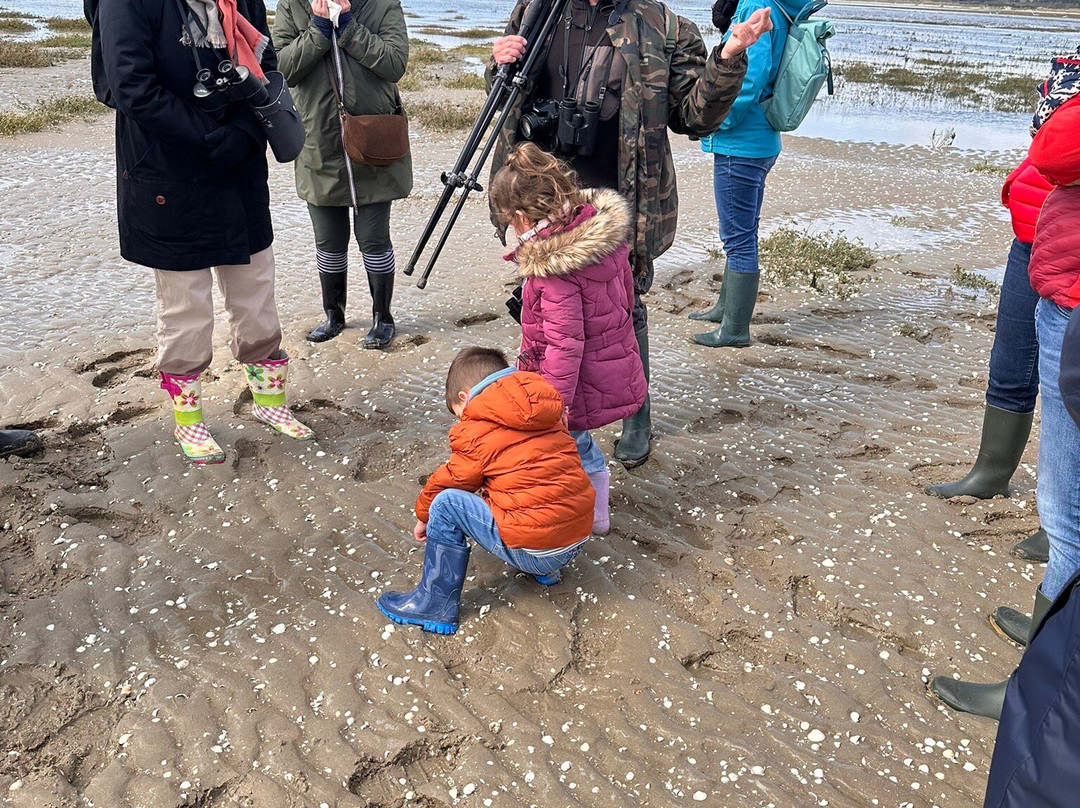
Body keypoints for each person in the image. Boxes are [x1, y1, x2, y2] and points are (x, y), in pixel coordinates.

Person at [488, 0, 772, 468]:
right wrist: (498, 64)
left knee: (623, 308)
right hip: (542, 197)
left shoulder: (663, 24)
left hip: (624, 199)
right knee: (543, 305)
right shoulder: (534, 11)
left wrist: (729, 56)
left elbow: (693, 117)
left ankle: (636, 414)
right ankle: (550, 410)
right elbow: (505, 101)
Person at [89, 0, 313, 465]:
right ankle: (188, 422)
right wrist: (209, 135)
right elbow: (131, 87)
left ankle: (270, 405)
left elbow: (265, 65)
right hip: (166, 173)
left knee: (256, 293)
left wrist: (247, 134)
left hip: (239, 171)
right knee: (185, 306)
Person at [930, 76, 1080, 721]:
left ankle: (1042, 689)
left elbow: (1056, 149)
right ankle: (1057, 636)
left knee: (1067, 509)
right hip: (1060, 270)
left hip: (1075, 294)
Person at [377, 347, 595, 635]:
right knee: (537, 488)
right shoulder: (546, 407)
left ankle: (434, 604)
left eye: (458, 414)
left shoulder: (476, 427)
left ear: (465, 398)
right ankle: (547, 570)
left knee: (445, 503)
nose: (460, 420)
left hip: (536, 549)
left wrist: (424, 514)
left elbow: (454, 478)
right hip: (576, 539)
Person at [488, 144, 647, 534]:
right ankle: (589, 509)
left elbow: (565, 344)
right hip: (607, 359)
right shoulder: (600, 236)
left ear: (523, 219)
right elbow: (627, 298)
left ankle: (590, 515)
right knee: (578, 442)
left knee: (571, 443)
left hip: (572, 382)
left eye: (510, 222)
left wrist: (552, 401)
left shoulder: (553, 270)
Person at [926, 156, 1053, 565]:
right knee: (1010, 363)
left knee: (1070, 390)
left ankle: (1067, 524)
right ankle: (992, 474)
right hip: (1033, 229)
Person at [274, 0, 412, 349]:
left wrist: (348, 26)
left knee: (374, 240)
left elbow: (395, 64)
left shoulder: (383, 4)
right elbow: (281, 69)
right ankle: (334, 315)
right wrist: (319, 29)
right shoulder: (291, 5)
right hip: (317, 140)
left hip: (373, 141)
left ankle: (383, 317)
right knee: (328, 241)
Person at [688, 0, 801, 348]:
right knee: (741, 231)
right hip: (758, 139)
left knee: (737, 237)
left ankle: (735, 329)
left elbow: (749, 80)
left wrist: (712, 120)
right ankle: (725, 309)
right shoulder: (771, 5)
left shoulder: (755, 5)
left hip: (742, 143)